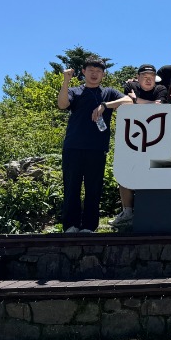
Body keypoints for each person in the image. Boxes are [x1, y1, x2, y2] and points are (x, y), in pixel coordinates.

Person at [57, 57, 124, 233]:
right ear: (83, 72)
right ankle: (70, 226)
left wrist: (105, 105)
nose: (94, 74)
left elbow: (129, 101)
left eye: (98, 71)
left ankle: (89, 226)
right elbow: (62, 105)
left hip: (97, 148)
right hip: (73, 147)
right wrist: (66, 81)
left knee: (93, 189)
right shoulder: (75, 91)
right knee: (71, 187)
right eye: (91, 70)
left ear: (103, 74)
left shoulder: (108, 92)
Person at [111, 64, 169, 228]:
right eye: (144, 76)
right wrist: (139, 101)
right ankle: (127, 212)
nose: (148, 79)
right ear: (138, 77)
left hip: (157, 138)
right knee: (125, 172)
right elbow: (127, 103)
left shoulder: (161, 89)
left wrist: (137, 100)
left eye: (152, 77)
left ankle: (152, 213)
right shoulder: (131, 85)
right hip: (132, 137)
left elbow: (159, 107)